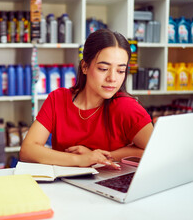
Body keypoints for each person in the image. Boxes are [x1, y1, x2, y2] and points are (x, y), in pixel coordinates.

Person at [20, 29, 153, 169]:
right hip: (62, 187)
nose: (112, 78)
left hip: (108, 187)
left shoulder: (126, 107)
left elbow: (156, 152)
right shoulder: (58, 99)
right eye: (103, 68)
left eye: (121, 71)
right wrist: (80, 160)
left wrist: (102, 157)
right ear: (84, 66)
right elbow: (28, 151)